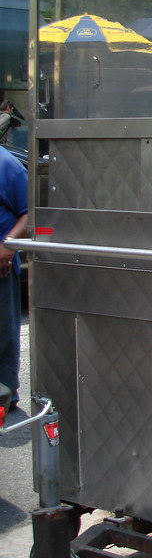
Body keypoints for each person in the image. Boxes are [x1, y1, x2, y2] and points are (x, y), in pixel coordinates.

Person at [0, 146, 28, 417]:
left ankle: (5, 395)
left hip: (1, 267)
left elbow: (29, 214)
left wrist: (8, 245)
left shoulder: (7, 164)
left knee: (3, 333)